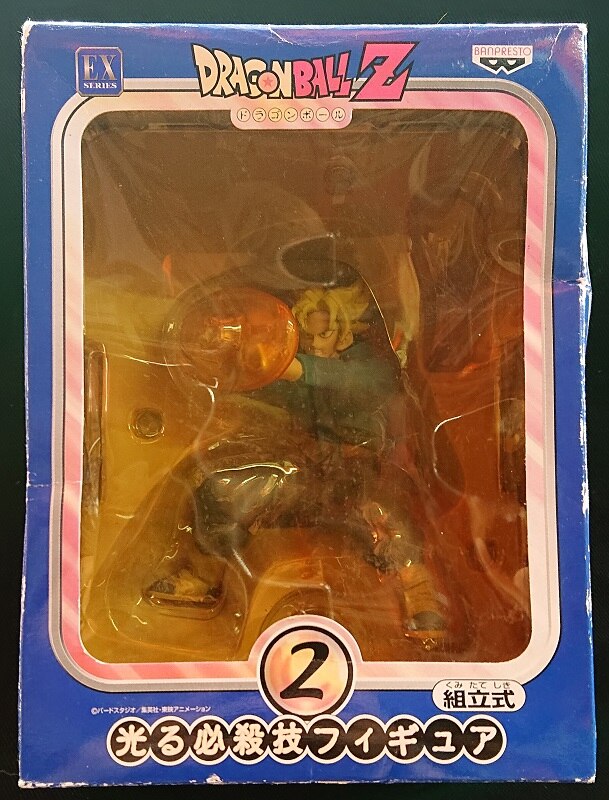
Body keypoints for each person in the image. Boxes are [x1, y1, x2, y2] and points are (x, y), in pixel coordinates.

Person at [146, 280, 446, 637]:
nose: (314, 344)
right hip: (307, 468)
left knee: (391, 514)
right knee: (224, 488)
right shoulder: (298, 374)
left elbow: (366, 383)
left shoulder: (370, 368)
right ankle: (202, 575)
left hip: (362, 469)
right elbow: (270, 394)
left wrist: (302, 369)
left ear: (344, 333)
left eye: (323, 334)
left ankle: (420, 595)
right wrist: (235, 373)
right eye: (308, 336)